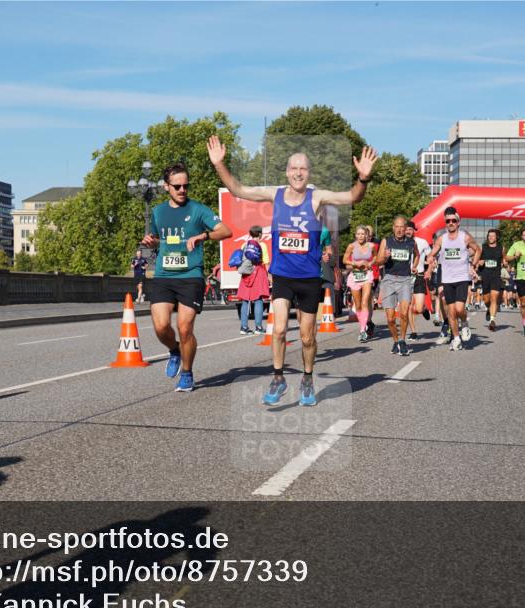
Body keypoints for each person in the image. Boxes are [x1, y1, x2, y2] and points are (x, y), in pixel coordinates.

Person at [208, 135, 378, 406]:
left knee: (308, 337)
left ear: (308, 173)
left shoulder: (317, 196)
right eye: (293, 168)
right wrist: (219, 164)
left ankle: (307, 378)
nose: (298, 172)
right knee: (278, 330)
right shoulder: (275, 194)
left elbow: (352, 197)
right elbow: (239, 190)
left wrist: (363, 179)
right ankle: (278, 378)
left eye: (303, 168)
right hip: (284, 275)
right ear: (287, 172)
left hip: (309, 278)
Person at [141, 162, 231, 392]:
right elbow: (156, 240)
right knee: (161, 327)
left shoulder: (198, 210)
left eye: (185, 186)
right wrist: (150, 242)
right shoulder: (158, 212)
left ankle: (188, 373)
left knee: (185, 327)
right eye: (177, 186)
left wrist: (204, 235)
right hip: (163, 274)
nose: (182, 190)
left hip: (190, 275)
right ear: (166, 187)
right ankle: (174, 350)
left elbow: (226, 231)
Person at [426, 207, 480, 351]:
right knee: (451, 311)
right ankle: (456, 338)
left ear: (458, 222)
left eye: (453, 221)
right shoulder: (441, 238)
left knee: (459, 308)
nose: (451, 223)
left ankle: (464, 323)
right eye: (448, 221)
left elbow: (478, 250)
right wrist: (431, 257)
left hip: (462, 277)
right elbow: (433, 252)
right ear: (445, 223)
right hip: (447, 279)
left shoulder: (465, 237)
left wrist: (473, 265)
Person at [375, 216, 419, 356]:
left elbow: (417, 255)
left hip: (405, 280)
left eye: (402, 227)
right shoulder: (386, 241)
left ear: (405, 228)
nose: (399, 230)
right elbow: (378, 261)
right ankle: (395, 340)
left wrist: (414, 266)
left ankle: (402, 341)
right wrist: (385, 257)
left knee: (404, 313)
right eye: (397, 227)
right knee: (390, 318)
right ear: (393, 227)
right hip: (389, 280)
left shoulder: (411, 242)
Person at [343, 225, 376, 342]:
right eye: (359, 234)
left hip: (367, 275)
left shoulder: (371, 246)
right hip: (355, 276)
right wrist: (354, 263)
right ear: (355, 235)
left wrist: (371, 263)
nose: (361, 236)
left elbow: (375, 257)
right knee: (357, 305)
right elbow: (344, 260)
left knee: (364, 302)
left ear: (366, 235)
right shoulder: (351, 246)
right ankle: (364, 324)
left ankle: (362, 331)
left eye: (363, 234)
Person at [236, 225, 270, 335]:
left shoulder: (244, 245)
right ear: (260, 234)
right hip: (258, 272)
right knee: (258, 299)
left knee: (245, 300)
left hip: (246, 274)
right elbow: (266, 262)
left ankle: (244, 327)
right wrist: (269, 277)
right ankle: (258, 327)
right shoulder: (262, 245)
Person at [474, 229, 505, 332]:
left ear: (496, 237)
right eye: (489, 236)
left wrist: (505, 263)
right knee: (487, 300)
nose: (491, 237)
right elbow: (476, 260)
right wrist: (479, 262)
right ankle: (488, 309)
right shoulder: (483, 248)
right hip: (485, 276)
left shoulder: (501, 248)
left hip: (496, 276)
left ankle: (492, 321)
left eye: (493, 236)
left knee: (494, 298)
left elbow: (504, 259)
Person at [406, 220, 431, 339]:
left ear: (414, 230)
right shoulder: (400, 243)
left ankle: (424, 308)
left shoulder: (422, 242)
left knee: (418, 308)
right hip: (405, 278)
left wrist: (429, 269)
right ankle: (413, 332)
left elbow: (431, 256)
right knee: (409, 306)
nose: (407, 232)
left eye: (410, 229)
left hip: (419, 276)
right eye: (406, 229)